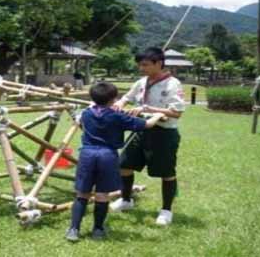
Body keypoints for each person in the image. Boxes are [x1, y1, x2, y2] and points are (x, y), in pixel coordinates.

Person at [65, 82, 165, 242]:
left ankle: (73, 229)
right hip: (107, 156)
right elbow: (147, 124)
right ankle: (97, 230)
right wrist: (158, 115)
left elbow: (80, 120)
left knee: (82, 193)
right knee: (102, 194)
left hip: (87, 154)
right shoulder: (118, 116)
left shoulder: (86, 113)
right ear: (113, 99)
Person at [110, 47, 185, 226]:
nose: (141, 68)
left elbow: (176, 113)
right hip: (140, 129)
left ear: (159, 63)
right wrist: (119, 103)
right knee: (124, 165)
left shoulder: (173, 84)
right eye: (139, 65)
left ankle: (166, 210)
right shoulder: (142, 81)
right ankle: (126, 200)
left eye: (145, 65)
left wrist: (149, 109)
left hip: (163, 133)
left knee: (166, 173)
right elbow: (127, 97)